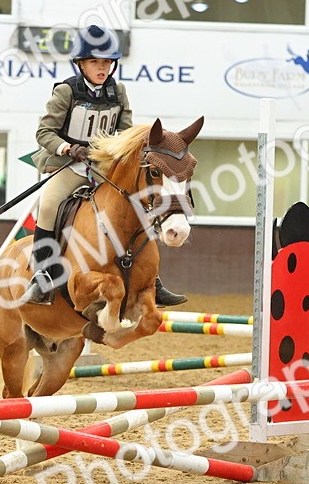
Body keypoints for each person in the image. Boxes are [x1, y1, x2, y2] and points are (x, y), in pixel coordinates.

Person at [24, 24, 187, 307]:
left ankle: (153, 280)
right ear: (81, 64)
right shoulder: (66, 91)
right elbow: (44, 133)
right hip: (69, 166)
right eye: (95, 62)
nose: (102, 68)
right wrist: (68, 148)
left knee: (137, 203)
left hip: (103, 168)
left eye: (107, 62)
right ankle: (42, 275)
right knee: (49, 205)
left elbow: (125, 133)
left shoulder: (118, 92)